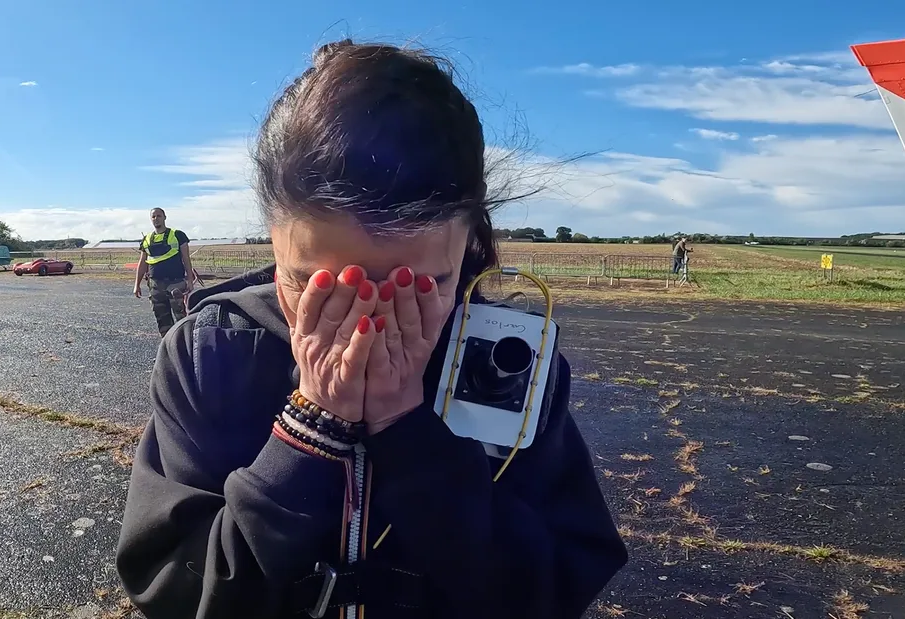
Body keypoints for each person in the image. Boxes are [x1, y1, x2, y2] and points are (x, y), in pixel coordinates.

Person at [115, 40, 627, 619]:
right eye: (316, 287)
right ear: (273, 240)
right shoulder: (213, 350)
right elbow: (173, 588)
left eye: (420, 286)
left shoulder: (509, 365)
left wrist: (410, 433)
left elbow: (551, 590)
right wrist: (312, 428)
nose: (366, 327)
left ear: (470, 244)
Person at [133, 208, 196, 336]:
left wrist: (190, 280)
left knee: (182, 317)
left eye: (159, 216)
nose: (156, 219)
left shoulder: (178, 235)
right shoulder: (146, 239)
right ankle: (168, 349)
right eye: (153, 217)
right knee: (163, 320)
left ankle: (187, 348)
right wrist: (136, 285)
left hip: (176, 283)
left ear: (164, 217)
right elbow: (142, 263)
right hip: (155, 285)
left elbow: (186, 259)